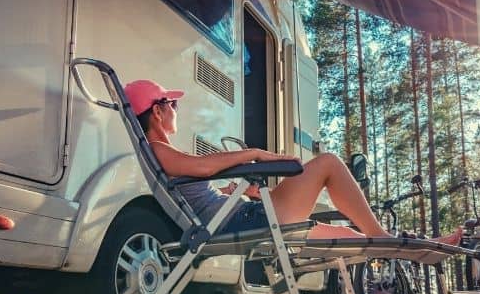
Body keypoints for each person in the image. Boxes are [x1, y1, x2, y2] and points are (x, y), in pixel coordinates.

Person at [124, 79, 461, 245]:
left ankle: (414, 244)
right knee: (327, 162)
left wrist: (236, 193)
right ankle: (387, 239)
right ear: (157, 110)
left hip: (242, 215)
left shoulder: (162, 151)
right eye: (172, 105)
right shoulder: (159, 149)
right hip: (244, 221)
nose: (175, 110)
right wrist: (255, 153)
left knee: (349, 235)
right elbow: (203, 168)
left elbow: (202, 182)